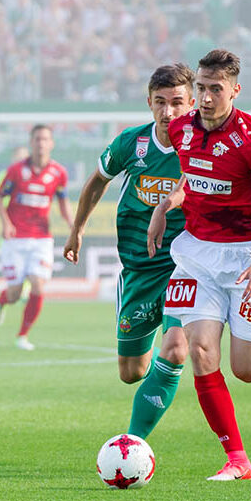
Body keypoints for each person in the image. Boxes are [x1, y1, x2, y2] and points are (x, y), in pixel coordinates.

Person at [147, 49, 251, 481]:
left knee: (246, 371)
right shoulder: (181, 129)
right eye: (201, 88)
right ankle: (238, 460)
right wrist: (166, 205)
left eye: (216, 89)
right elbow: (192, 173)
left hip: (249, 254)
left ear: (235, 90)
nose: (207, 97)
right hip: (196, 252)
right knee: (199, 350)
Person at [63, 63, 196, 439]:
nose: (168, 112)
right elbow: (96, 183)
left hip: (185, 264)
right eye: (160, 102)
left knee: (174, 350)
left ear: (191, 103)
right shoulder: (131, 143)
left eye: (176, 102)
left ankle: (134, 440)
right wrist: (77, 230)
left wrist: (169, 203)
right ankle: (163, 373)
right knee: (131, 372)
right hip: (139, 268)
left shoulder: (198, 146)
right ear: (149, 102)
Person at [0, 124, 73, 351]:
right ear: (31, 142)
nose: (41, 143)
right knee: (15, 293)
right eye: (37, 139)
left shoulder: (58, 173)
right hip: (16, 238)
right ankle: (1, 304)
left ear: (51, 143)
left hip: (41, 238)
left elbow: (63, 201)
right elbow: (0, 198)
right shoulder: (16, 171)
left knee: (37, 285)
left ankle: (22, 336)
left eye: (45, 139)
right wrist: (6, 223)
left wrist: (72, 224)